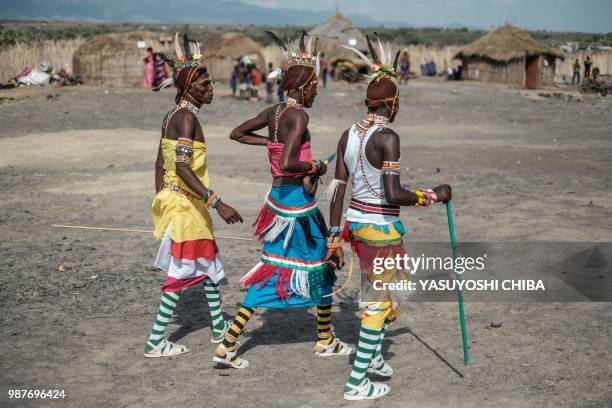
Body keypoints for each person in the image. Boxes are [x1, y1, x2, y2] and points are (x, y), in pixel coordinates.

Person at [213, 31, 354, 369]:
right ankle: (320, 341)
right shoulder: (298, 117)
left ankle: (319, 339)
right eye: (314, 86)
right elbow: (291, 164)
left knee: (309, 265)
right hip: (295, 205)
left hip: (278, 198)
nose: (316, 92)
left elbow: (238, 133)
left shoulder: (274, 112)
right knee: (317, 264)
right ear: (302, 86)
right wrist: (316, 165)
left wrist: (272, 147)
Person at [325, 35, 452, 400]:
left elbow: (337, 191)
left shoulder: (347, 135)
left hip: (356, 228)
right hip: (381, 231)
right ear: (390, 104)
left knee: (373, 296)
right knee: (378, 304)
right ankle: (357, 382)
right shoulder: (388, 137)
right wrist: (434, 195)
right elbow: (395, 195)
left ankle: (376, 361)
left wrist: (334, 238)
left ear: (369, 102)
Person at [144, 32, 243, 358]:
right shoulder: (186, 119)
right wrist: (217, 202)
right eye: (204, 85)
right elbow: (184, 168)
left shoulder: (172, 116)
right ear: (188, 89)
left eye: (211, 83)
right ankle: (156, 340)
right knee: (183, 271)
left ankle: (218, 325)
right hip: (188, 206)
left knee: (208, 263)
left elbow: (161, 162)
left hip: (183, 203)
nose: (211, 88)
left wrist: (164, 196)